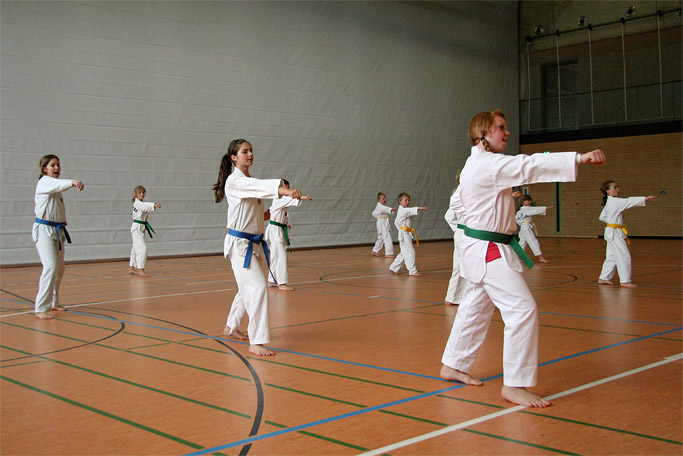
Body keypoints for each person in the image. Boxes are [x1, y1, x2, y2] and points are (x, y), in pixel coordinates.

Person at [440, 110, 606, 408]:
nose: (506, 133)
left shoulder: (473, 165)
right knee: (522, 308)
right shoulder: (488, 165)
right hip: (488, 248)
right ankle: (514, 384)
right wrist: (578, 158)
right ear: (485, 131)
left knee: (475, 307)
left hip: (483, 246)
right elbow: (529, 164)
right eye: (501, 128)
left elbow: (460, 203)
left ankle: (452, 364)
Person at [213, 139, 303, 356]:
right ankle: (256, 341)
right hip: (240, 245)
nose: (250, 154)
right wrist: (283, 190)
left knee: (247, 287)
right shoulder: (235, 181)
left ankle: (231, 327)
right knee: (258, 286)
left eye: (251, 151)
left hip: (252, 243)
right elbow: (259, 187)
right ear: (234, 157)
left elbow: (253, 213)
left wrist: (273, 211)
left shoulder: (248, 180)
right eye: (245, 151)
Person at [32, 154, 84, 320]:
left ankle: (54, 301)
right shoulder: (45, 182)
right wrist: (74, 182)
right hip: (44, 230)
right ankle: (41, 307)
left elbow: (58, 187)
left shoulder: (54, 187)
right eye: (53, 165)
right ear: (44, 168)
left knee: (59, 268)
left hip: (57, 230)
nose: (56, 168)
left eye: (58, 165)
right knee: (50, 266)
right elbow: (59, 185)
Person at [598, 180, 656, 287]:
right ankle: (625, 281)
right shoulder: (615, 202)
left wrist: (612, 222)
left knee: (612, 256)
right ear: (608, 191)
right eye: (615, 187)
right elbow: (629, 201)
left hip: (612, 231)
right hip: (615, 232)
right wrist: (645, 198)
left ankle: (604, 277)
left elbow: (602, 217)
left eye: (617, 187)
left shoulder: (610, 202)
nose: (618, 189)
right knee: (624, 255)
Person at [265, 179, 312, 291]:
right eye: (287, 188)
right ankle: (282, 283)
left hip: (278, 229)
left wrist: (288, 223)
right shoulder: (278, 199)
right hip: (275, 230)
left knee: (276, 256)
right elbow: (292, 199)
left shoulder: (281, 202)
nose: (288, 190)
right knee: (281, 255)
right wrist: (305, 197)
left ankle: (271, 280)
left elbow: (285, 215)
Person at [389, 193, 427, 276]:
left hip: (407, 233)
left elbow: (397, 222)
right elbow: (409, 211)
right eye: (405, 200)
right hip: (404, 234)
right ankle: (412, 271)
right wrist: (419, 208)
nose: (408, 202)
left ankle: (394, 267)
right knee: (410, 251)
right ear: (400, 201)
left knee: (404, 252)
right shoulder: (403, 210)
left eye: (408, 200)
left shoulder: (403, 210)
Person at [129, 185, 161, 277]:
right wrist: (154, 205)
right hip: (137, 227)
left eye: (143, 193)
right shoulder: (138, 203)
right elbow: (144, 206)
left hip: (140, 226)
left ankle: (131, 267)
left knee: (135, 248)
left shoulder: (138, 203)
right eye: (139, 193)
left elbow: (144, 206)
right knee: (142, 248)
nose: (141, 194)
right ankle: (140, 269)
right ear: (135, 194)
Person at [444, 183, 467, 306]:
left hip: (462, 233)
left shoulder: (459, 196)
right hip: (465, 233)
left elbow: (448, 216)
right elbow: (448, 216)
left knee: (459, 266)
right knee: (470, 266)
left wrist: (457, 229)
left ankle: (452, 296)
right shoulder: (463, 196)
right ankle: (473, 300)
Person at [515, 194, 553, 263]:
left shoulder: (519, 211)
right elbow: (537, 209)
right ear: (523, 201)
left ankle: (516, 257)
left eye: (530, 200)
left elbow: (517, 220)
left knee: (522, 242)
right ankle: (540, 257)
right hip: (526, 228)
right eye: (528, 200)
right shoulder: (527, 209)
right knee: (533, 241)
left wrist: (523, 224)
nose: (529, 202)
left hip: (523, 228)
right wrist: (547, 207)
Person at [371, 192, 396, 257]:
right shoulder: (380, 206)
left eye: (385, 198)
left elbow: (374, 213)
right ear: (379, 200)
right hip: (382, 223)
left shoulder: (380, 207)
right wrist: (391, 209)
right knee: (387, 237)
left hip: (382, 222)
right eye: (383, 198)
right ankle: (388, 252)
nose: (385, 200)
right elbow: (384, 209)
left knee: (381, 238)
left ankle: (375, 250)